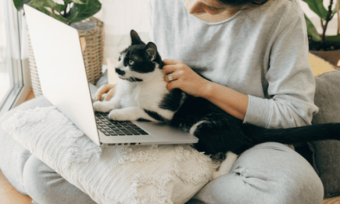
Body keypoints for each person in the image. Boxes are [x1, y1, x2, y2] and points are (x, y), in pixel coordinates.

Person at [22, 0, 324, 203]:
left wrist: (206, 88)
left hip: (240, 137)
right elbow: (156, 65)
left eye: (211, 3)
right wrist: (129, 85)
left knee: (294, 189)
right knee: (41, 172)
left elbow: (294, 115)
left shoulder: (282, 13)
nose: (190, 8)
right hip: (169, 123)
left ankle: (160, 189)